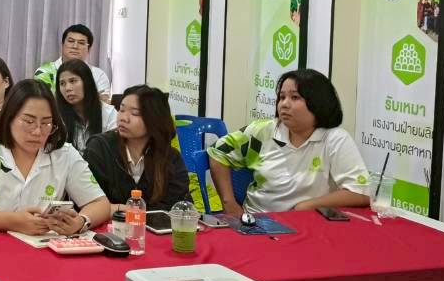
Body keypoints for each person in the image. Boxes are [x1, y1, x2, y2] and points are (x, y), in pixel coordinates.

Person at [0, 79, 110, 235]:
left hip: (44, 246)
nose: (37, 132)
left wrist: (81, 221)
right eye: (28, 121)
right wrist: (13, 221)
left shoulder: (64, 154)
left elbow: (100, 203)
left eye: (46, 123)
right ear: (9, 118)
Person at [207, 69, 371, 215]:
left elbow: (361, 193)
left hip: (310, 226)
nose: (284, 104)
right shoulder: (262, 131)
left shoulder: (335, 139)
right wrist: (229, 204)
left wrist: (307, 206)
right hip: (257, 223)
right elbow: (218, 152)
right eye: (282, 97)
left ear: (318, 102)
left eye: (295, 97)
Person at [83, 85, 191, 211]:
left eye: (135, 113)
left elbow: (177, 206)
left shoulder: (170, 157)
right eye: (121, 110)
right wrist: (123, 210)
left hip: (156, 223)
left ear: (155, 119)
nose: (123, 118)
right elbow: (88, 200)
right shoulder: (100, 148)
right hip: (108, 223)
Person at [33, 24, 111, 102]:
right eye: (71, 41)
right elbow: (44, 102)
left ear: (89, 49)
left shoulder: (99, 75)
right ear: (62, 45)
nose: (75, 46)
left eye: (81, 43)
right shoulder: (44, 71)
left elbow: (103, 104)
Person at [56, 59, 117, 152]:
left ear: (87, 82)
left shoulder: (108, 113)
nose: (67, 88)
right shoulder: (56, 116)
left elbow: (115, 150)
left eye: (72, 81)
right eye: (62, 83)